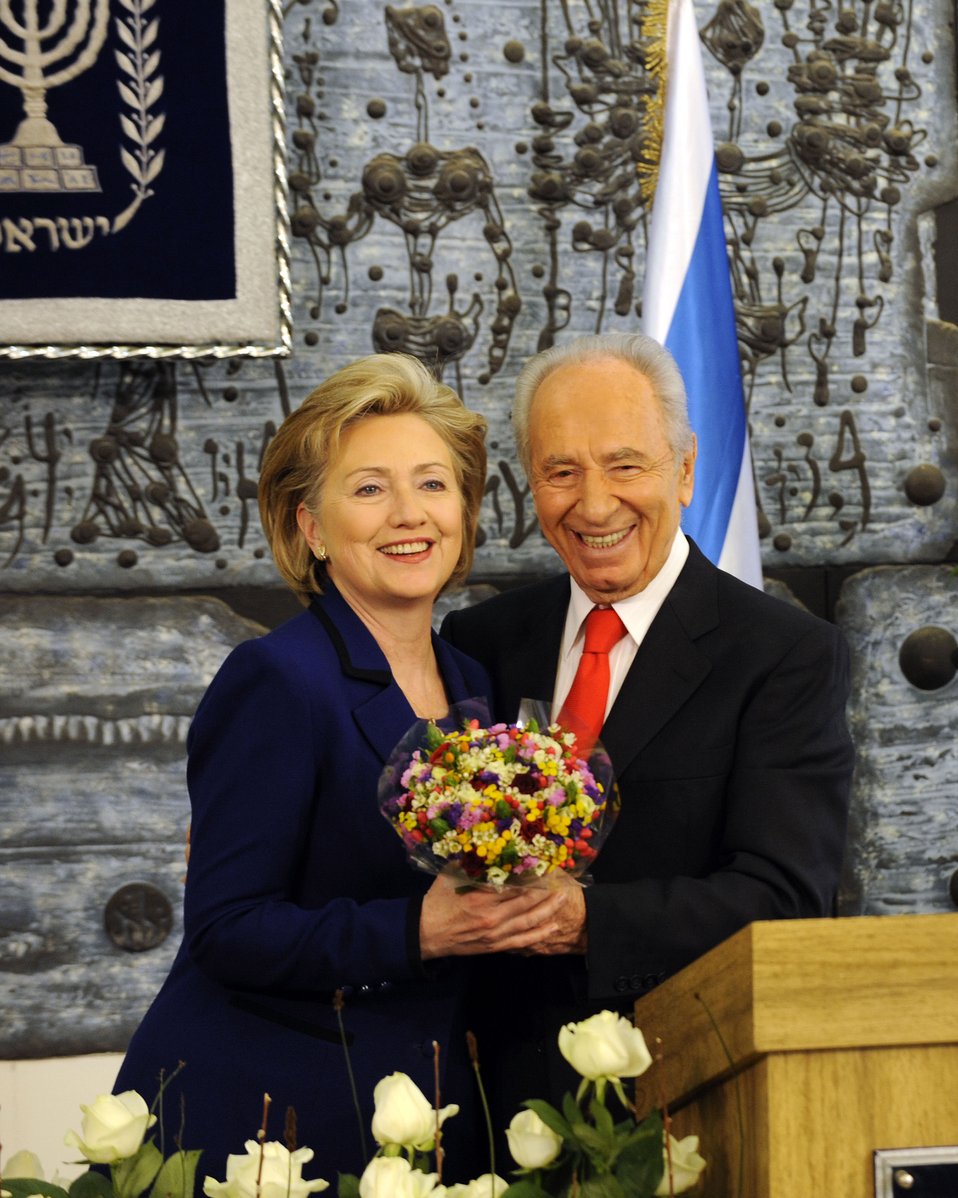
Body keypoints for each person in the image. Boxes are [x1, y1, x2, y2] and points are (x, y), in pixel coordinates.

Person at [111, 353, 563, 1187]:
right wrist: (416, 931)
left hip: (415, 1121)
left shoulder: (472, 684)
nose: (408, 514)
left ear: (464, 509)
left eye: (433, 484)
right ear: (310, 527)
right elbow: (225, 927)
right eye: (368, 489)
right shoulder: (276, 680)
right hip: (264, 1122)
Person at [439, 330, 855, 1115]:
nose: (594, 503)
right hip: (486, 1109)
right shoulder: (481, 644)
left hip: (683, 1095)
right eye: (562, 471)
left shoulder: (784, 655)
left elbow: (783, 896)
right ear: (531, 485)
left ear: (687, 470)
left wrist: (587, 920)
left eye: (626, 464)